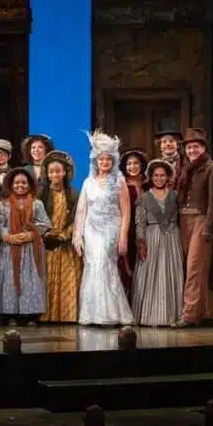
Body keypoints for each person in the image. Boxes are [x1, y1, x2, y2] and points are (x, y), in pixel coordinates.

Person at [74, 130, 135, 327]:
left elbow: (126, 212)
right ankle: (91, 314)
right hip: (91, 230)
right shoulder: (88, 182)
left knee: (103, 263)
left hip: (111, 229)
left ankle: (109, 313)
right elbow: (82, 211)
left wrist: (123, 237)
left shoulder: (119, 181)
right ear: (96, 161)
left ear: (113, 161)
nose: (105, 162)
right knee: (92, 267)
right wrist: (77, 236)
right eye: (102, 159)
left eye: (109, 159)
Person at [173, 127, 213, 327]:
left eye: (196, 147)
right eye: (189, 147)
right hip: (184, 220)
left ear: (203, 147)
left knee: (195, 268)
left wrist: (208, 227)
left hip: (201, 220)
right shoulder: (187, 169)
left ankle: (189, 315)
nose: (192, 150)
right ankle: (204, 312)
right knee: (193, 267)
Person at [0, 168, 50, 324]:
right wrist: (7, 236)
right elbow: (0, 224)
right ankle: (10, 314)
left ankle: (30, 314)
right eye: (17, 182)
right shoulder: (3, 204)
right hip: (9, 249)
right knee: (9, 279)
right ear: (11, 184)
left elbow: (44, 223)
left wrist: (31, 234)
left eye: (23, 182)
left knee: (30, 280)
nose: (20, 185)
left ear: (29, 184)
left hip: (31, 248)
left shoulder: (37, 203)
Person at [132, 160, 183, 326]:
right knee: (151, 275)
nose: (159, 178)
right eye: (156, 175)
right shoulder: (144, 198)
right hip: (151, 237)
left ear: (168, 177)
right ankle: (150, 316)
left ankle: (171, 316)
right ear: (151, 177)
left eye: (162, 175)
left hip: (172, 238)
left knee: (170, 273)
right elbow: (139, 223)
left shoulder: (175, 195)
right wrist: (141, 243)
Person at [38, 151, 82, 323]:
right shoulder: (41, 194)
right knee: (46, 280)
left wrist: (64, 236)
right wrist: (45, 235)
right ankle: (46, 316)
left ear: (65, 172)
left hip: (65, 244)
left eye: (58, 171)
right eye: (51, 172)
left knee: (68, 279)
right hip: (46, 243)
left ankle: (66, 316)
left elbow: (77, 220)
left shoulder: (73, 194)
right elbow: (34, 217)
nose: (54, 175)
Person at [118, 148, 148, 298]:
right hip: (127, 229)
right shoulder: (121, 185)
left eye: (136, 163)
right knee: (126, 265)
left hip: (146, 229)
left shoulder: (149, 184)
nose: (132, 166)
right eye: (129, 164)